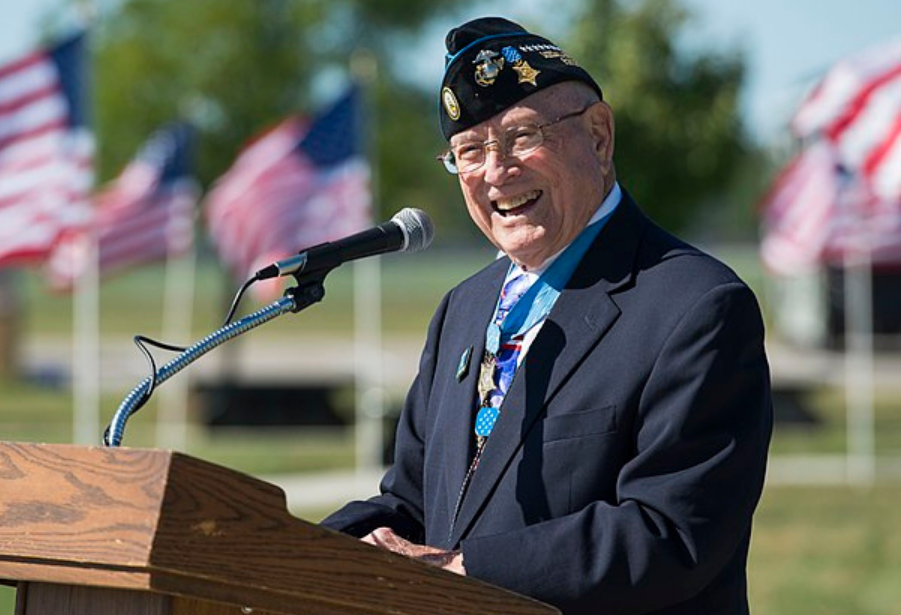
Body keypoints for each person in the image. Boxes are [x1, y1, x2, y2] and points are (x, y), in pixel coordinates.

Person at [322, 16, 773, 615]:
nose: (495, 171)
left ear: (599, 136)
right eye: (469, 152)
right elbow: (414, 504)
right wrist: (292, 550)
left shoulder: (697, 306)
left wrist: (462, 570)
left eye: (521, 137)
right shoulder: (464, 308)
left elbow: (672, 533)